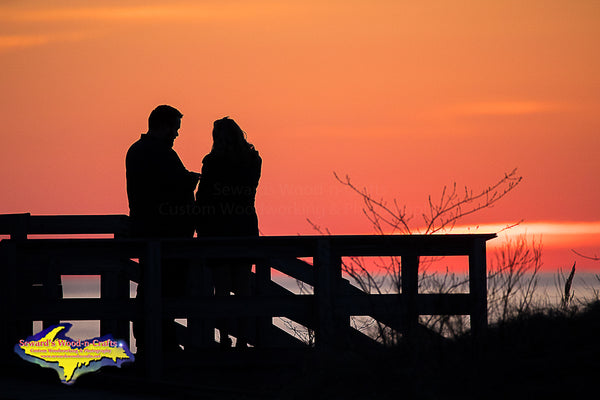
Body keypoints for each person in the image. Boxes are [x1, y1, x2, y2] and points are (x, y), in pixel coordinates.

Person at [126, 105, 200, 352]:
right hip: (166, 233)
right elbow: (173, 186)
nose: (176, 135)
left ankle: (152, 342)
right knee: (163, 291)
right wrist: (190, 180)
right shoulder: (161, 153)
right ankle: (161, 344)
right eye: (174, 129)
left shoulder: (136, 151)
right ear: (162, 126)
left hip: (146, 229)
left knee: (149, 287)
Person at [195, 117, 261, 348]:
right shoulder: (253, 160)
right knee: (243, 287)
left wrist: (199, 224)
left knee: (221, 288)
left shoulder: (213, 162)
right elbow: (249, 191)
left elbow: (203, 198)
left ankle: (223, 338)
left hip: (218, 229)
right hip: (244, 227)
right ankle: (244, 337)